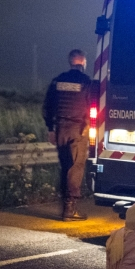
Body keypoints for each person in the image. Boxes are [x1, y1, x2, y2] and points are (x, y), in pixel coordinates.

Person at [43, 49, 91, 221]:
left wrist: (50, 129)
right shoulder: (86, 82)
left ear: (70, 62)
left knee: (65, 167)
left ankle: (65, 206)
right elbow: (91, 107)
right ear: (83, 63)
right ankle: (70, 209)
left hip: (60, 129)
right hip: (77, 129)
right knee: (76, 167)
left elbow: (47, 107)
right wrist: (88, 126)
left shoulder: (58, 80)